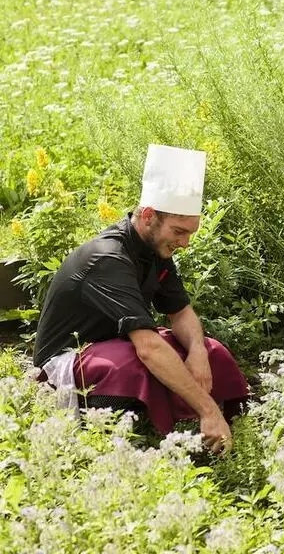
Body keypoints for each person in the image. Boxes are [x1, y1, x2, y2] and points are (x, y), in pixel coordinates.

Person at [33, 144, 248, 453]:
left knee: (213, 351)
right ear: (148, 216)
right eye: (179, 231)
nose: (185, 243)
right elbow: (147, 348)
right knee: (134, 364)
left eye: (190, 233)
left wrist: (198, 351)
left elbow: (181, 312)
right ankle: (131, 445)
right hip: (67, 361)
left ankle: (222, 439)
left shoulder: (156, 249)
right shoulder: (107, 258)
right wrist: (208, 410)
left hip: (118, 343)